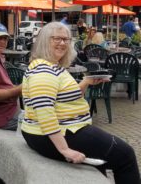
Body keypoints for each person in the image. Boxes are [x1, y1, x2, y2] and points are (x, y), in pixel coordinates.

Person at [21, 21, 139, 183]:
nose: (62, 43)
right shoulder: (43, 70)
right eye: (56, 39)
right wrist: (65, 150)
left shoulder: (51, 66)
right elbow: (44, 111)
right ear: (44, 41)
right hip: (58, 133)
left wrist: (86, 83)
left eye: (66, 39)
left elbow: (65, 97)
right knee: (126, 156)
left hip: (56, 130)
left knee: (105, 158)